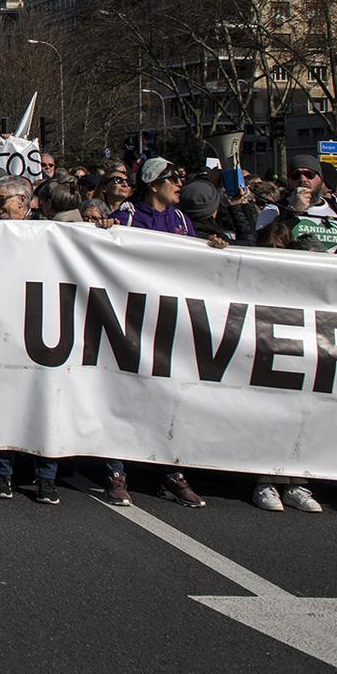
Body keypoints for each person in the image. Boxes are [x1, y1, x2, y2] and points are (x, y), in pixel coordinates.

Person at [99, 156, 208, 509]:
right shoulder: (127, 215)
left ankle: (169, 472)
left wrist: (214, 249)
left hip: (169, 322)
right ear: (154, 183)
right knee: (124, 391)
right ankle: (116, 471)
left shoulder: (180, 220)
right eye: (173, 178)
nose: (179, 184)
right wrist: (98, 225)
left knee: (168, 395)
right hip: (131, 321)